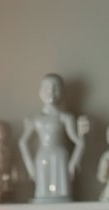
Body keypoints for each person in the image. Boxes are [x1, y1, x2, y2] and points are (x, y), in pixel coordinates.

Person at [19, 73, 89, 203]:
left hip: (60, 157)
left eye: (55, 88)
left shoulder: (66, 117)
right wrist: (29, 165)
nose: (50, 92)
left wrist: (74, 162)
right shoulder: (35, 119)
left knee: (61, 190)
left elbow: (78, 142)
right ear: (40, 92)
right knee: (42, 188)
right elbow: (23, 142)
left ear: (62, 92)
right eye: (47, 88)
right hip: (42, 157)